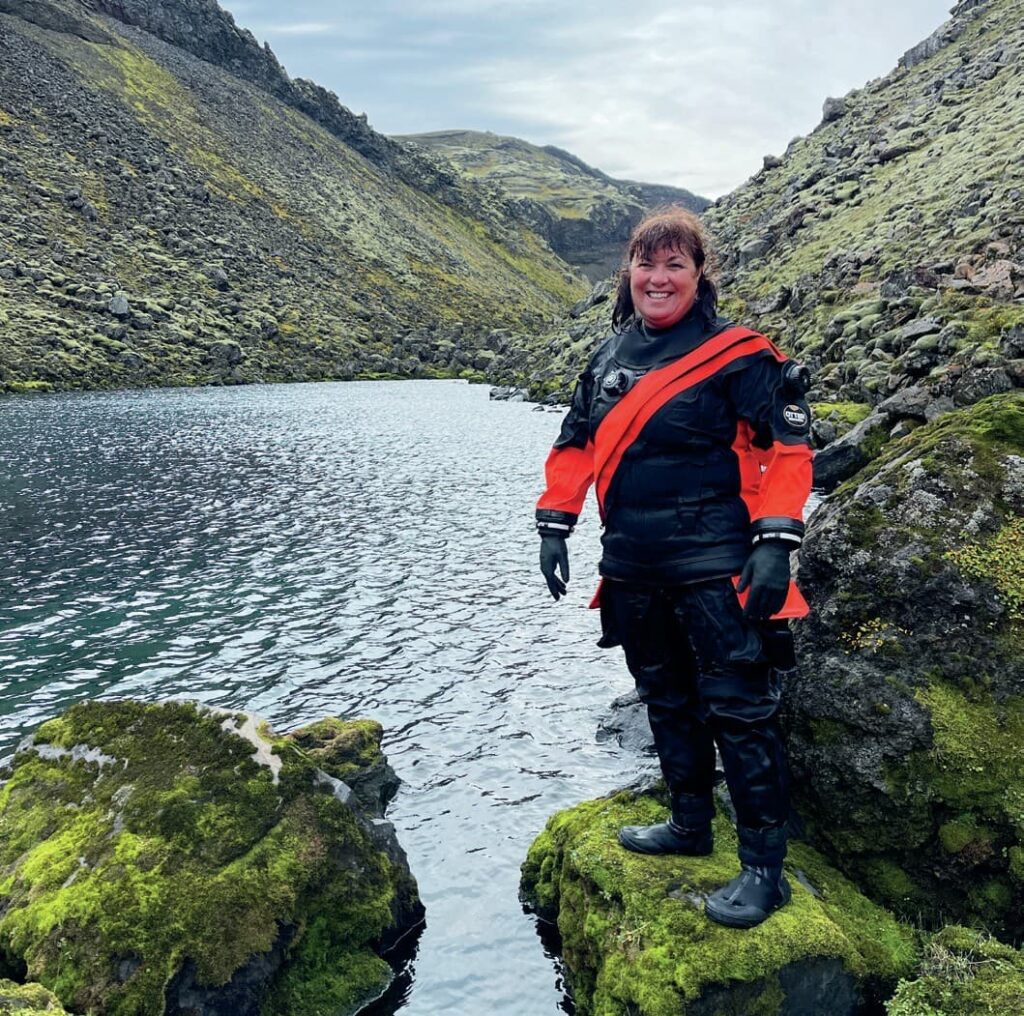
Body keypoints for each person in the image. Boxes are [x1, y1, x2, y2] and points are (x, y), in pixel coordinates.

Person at [535, 208, 813, 929]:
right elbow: (574, 445)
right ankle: (690, 826)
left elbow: (786, 449)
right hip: (631, 561)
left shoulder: (740, 354)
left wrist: (776, 543)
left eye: (674, 266)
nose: (658, 278)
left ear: (698, 275)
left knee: (741, 711)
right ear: (628, 273)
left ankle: (764, 870)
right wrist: (555, 523)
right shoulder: (604, 358)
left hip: (717, 560)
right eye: (646, 264)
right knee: (663, 696)